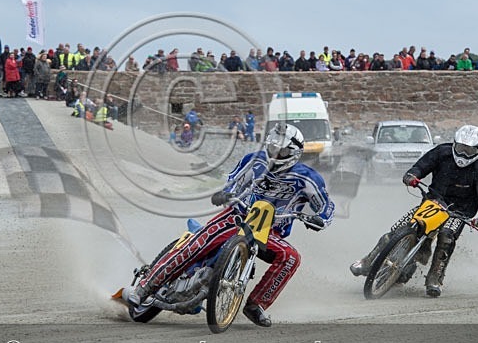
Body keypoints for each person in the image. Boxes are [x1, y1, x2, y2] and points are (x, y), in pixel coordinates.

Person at [128, 123, 335, 327]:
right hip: (238, 215)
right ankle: (145, 288)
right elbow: (233, 181)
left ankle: (256, 305)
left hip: (269, 231)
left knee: (291, 258)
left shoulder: (308, 178)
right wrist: (225, 193)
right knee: (196, 245)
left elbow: (326, 205)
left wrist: (320, 219)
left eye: (281, 151)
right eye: (273, 147)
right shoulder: (254, 161)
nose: (275, 153)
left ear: (294, 153)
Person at [350, 125, 478, 297]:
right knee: (398, 230)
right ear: (454, 144)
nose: (464, 154)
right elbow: (422, 165)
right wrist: (412, 175)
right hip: (433, 200)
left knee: (446, 237)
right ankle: (367, 263)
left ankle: (435, 278)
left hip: (461, 211)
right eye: (461, 148)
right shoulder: (441, 153)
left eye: (469, 150)